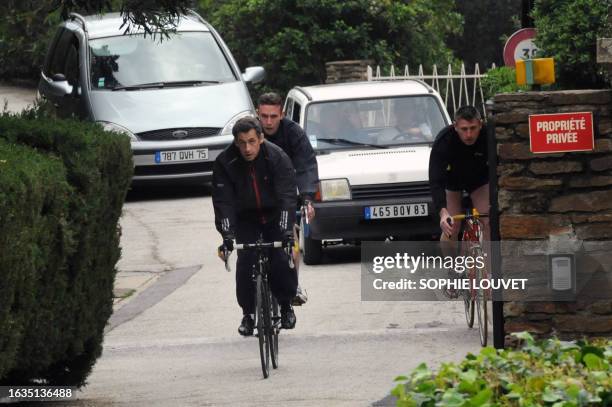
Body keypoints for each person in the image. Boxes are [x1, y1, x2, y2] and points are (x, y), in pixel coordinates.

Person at [212, 117, 298, 336]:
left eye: (252, 141)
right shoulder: (225, 162)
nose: (247, 148)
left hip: (274, 214)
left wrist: (287, 231)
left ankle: (286, 305)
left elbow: (287, 196)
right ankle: (248, 314)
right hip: (245, 218)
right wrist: (228, 236)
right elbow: (223, 202)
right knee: (245, 262)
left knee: (280, 258)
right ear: (235, 142)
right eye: (242, 143)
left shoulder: (277, 157)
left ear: (261, 138)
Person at [257, 92, 319, 305]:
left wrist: (308, 197)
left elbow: (306, 166)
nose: (268, 122)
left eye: (273, 116)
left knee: (290, 241)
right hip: (255, 197)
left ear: (282, 114)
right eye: (264, 116)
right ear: (258, 114)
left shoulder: (293, 133)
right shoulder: (250, 132)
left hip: (284, 198)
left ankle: (293, 286)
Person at [428, 106, 489, 243]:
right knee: (451, 226)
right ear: (455, 126)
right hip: (453, 180)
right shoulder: (444, 140)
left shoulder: (488, 135)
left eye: (473, 128)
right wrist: (443, 212)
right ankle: (451, 263)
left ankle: (489, 264)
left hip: (479, 179)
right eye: (464, 129)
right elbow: (436, 180)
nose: (469, 135)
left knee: (488, 222)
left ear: (480, 124)